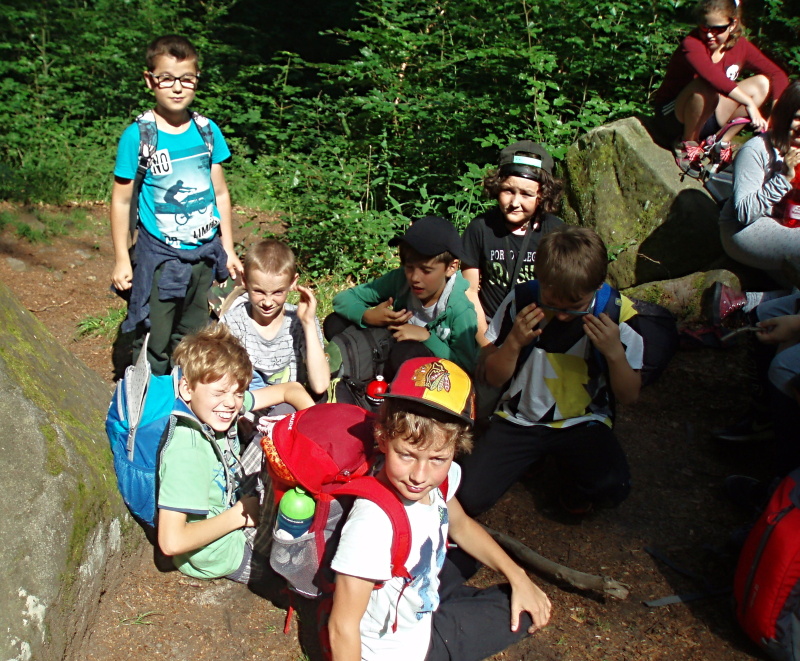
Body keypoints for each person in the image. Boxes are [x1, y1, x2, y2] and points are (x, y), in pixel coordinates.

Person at [328, 356, 552, 661]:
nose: (419, 476)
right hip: (404, 652)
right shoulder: (372, 523)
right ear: (383, 438)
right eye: (406, 455)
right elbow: (342, 627)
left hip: (417, 595)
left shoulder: (438, 483)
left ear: (456, 449)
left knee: (480, 563)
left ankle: (444, 604)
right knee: (518, 613)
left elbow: (461, 525)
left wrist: (519, 576)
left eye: (437, 459)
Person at [458, 226, 644, 516]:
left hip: (583, 420)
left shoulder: (618, 314)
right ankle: (534, 459)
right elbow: (493, 377)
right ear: (540, 280)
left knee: (611, 487)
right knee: (468, 497)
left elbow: (630, 395)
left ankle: (570, 483)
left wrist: (614, 353)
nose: (562, 315)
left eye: (574, 306)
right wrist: (514, 342)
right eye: (552, 303)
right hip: (520, 419)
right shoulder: (522, 300)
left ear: (597, 287)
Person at [110, 35, 243, 375]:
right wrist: (123, 258)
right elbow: (122, 200)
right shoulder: (138, 136)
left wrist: (228, 248)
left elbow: (221, 193)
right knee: (154, 334)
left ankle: (187, 392)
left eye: (187, 78)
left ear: (197, 80)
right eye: (166, 78)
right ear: (149, 80)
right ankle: (149, 394)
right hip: (160, 259)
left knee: (194, 334)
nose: (177, 87)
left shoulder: (207, 131)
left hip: (203, 255)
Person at [157, 323, 314, 582]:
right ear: (187, 389)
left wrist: (314, 426)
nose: (231, 403)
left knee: (283, 417)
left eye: (238, 393)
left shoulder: (215, 406)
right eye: (220, 392)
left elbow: (290, 390)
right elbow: (171, 542)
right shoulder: (188, 450)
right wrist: (239, 515)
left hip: (233, 499)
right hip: (225, 552)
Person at [328, 215, 478, 376]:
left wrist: (427, 338)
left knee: (405, 353)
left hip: (427, 371)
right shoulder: (400, 280)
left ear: (451, 267)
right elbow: (342, 299)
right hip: (390, 344)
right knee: (334, 322)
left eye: (426, 270)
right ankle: (361, 373)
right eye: (409, 267)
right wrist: (367, 316)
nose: (414, 278)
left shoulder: (461, 309)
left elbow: (466, 367)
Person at [651, 0, 788, 177]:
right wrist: (749, 103)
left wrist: (776, 118)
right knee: (705, 85)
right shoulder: (692, 44)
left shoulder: (740, 46)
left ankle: (720, 143)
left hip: (709, 113)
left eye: (718, 29)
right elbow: (712, 77)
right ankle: (687, 143)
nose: (709, 35)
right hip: (674, 117)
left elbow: (777, 74)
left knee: (762, 83)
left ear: (733, 24)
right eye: (705, 27)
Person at [461, 140, 564, 345]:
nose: (515, 203)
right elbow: (469, 291)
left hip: (540, 333)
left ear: (543, 195)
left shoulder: (556, 232)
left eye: (526, 194)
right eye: (508, 191)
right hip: (489, 329)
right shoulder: (480, 228)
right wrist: (486, 345)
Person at [221, 239, 330, 397]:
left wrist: (308, 323)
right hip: (247, 404)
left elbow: (320, 385)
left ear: (292, 282)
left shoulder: (299, 322)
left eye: (278, 292)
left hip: (290, 404)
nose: (267, 302)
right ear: (244, 280)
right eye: (259, 291)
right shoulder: (233, 323)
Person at [718, 80, 800, 286]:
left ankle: (756, 302)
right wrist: (784, 178)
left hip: (789, 223)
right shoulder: (756, 150)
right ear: (784, 116)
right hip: (746, 229)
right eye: (798, 118)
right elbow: (744, 213)